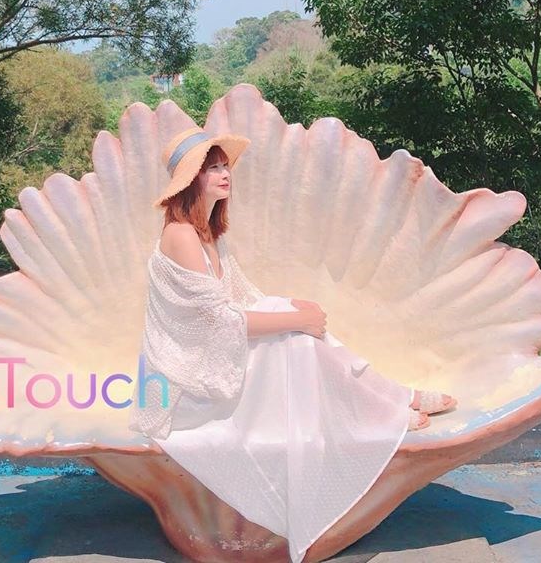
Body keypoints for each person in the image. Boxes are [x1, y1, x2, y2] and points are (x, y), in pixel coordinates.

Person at [129, 126, 457, 563]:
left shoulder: (208, 233)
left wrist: (294, 308)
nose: (225, 174)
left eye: (225, 165)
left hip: (207, 359)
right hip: (183, 387)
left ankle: (392, 399)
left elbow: (243, 300)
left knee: (288, 318)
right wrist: (298, 321)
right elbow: (220, 323)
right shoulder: (181, 235)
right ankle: (391, 403)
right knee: (294, 336)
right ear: (191, 180)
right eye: (212, 168)